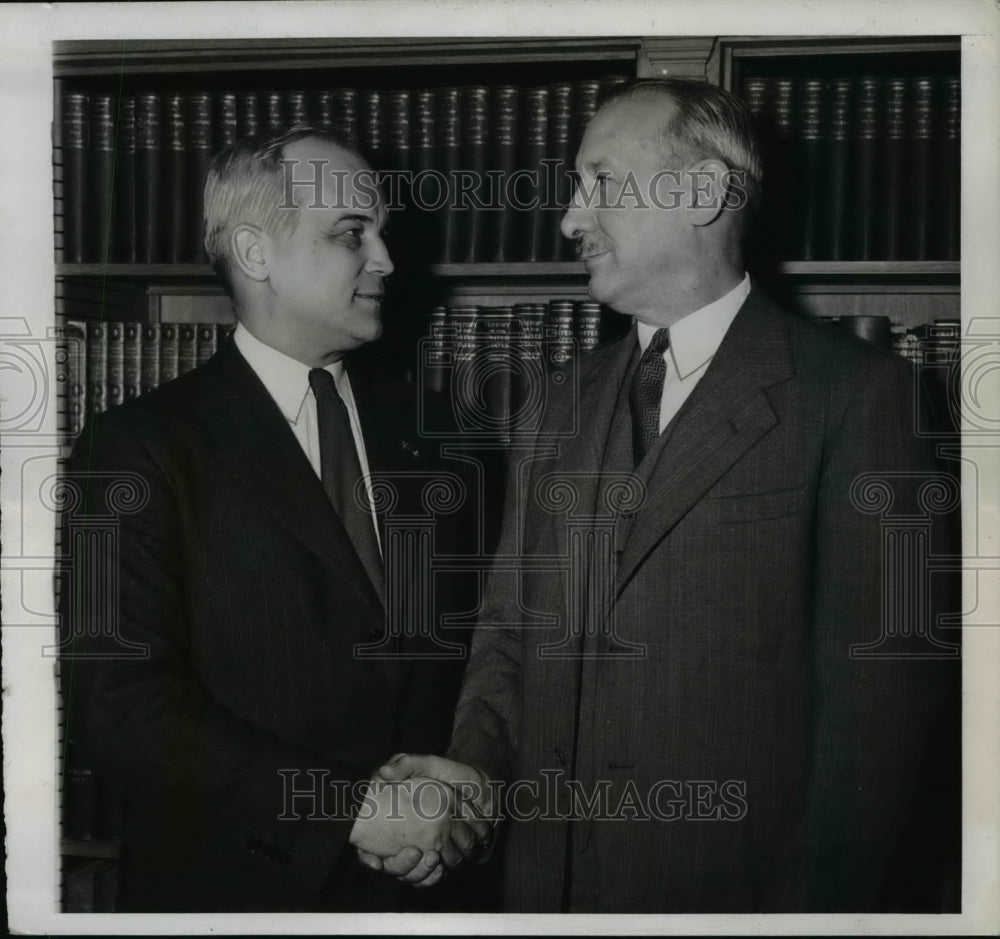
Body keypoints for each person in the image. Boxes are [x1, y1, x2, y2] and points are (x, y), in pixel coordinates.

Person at [360, 80, 961, 912]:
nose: (570, 218)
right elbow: (506, 638)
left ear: (704, 193)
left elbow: (881, 717)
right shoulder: (556, 403)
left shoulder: (858, 396)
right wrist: (472, 781)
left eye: (601, 182)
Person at [59, 127, 478, 912]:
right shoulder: (139, 446)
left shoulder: (439, 432)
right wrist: (348, 809)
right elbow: (119, 701)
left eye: (380, 233)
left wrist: (464, 783)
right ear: (256, 253)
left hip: (436, 887)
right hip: (241, 889)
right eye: (352, 234)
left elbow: (479, 647)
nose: (385, 259)